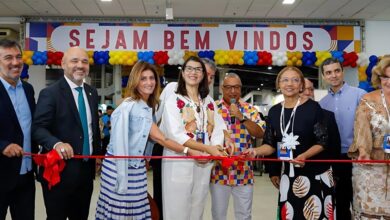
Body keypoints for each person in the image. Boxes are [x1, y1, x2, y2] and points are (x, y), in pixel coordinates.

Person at [95, 61, 203, 219]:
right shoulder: (136, 107)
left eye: (151, 78)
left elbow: (147, 138)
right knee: (123, 210)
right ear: (135, 81)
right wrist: (189, 151)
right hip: (122, 168)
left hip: (131, 166)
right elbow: (162, 139)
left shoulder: (144, 104)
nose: (149, 82)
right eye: (143, 78)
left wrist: (146, 158)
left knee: (131, 209)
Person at [244, 67, 335, 219]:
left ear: (301, 86)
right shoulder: (274, 112)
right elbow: (270, 144)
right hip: (288, 175)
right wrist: (255, 151)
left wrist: (304, 155)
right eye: (285, 80)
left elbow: (323, 140)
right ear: (278, 84)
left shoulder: (313, 108)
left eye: (295, 80)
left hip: (315, 174)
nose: (290, 84)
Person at [32, 46, 102, 220]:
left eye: (84, 61)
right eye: (74, 61)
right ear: (63, 64)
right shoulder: (50, 93)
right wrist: (57, 144)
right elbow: (37, 128)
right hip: (59, 173)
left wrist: (98, 155)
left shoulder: (92, 93)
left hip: (86, 173)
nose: (80, 65)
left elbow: (92, 129)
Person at [151, 57, 220, 219]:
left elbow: (219, 128)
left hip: (203, 162)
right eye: (189, 68)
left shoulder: (208, 101)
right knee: (177, 208)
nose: (193, 73)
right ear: (182, 72)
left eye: (198, 69)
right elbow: (174, 133)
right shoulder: (174, 98)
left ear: (204, 74)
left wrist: (215, 148)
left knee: (197, 207)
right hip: (179, 159)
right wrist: (206, 149)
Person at [210, 72, 264, 220]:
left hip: (244, 172)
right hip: (219, 172)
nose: (232, 91)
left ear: (241, 88)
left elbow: (260, 133)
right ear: (222, 88)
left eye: (236, 87)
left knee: (244, 215)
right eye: (228, 87)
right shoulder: (213, 108)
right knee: (218, 215)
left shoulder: (250, 109)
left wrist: (242, 117)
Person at [319, 57, 366, 219]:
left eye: (337, 71)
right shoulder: (322, 104)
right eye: (329, 73)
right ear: (324, 77)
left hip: (359, 156)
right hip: (335, 159)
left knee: (362, 202)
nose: (334, 76)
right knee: (341, 203)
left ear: (343, 72)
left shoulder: (360, 95)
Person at [348, 56, 390, 218]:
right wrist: (363, 150)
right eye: (386, 77)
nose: (389, 81)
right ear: (379, 77)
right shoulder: (368, 99)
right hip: (372, 167)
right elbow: (361, 128)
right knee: (369, 215)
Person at [0, 39, 36, 220]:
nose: (15, 62)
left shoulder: (28, 90)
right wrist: (2, 145)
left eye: (18, 57)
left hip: (26, 174)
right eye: (8, 58)